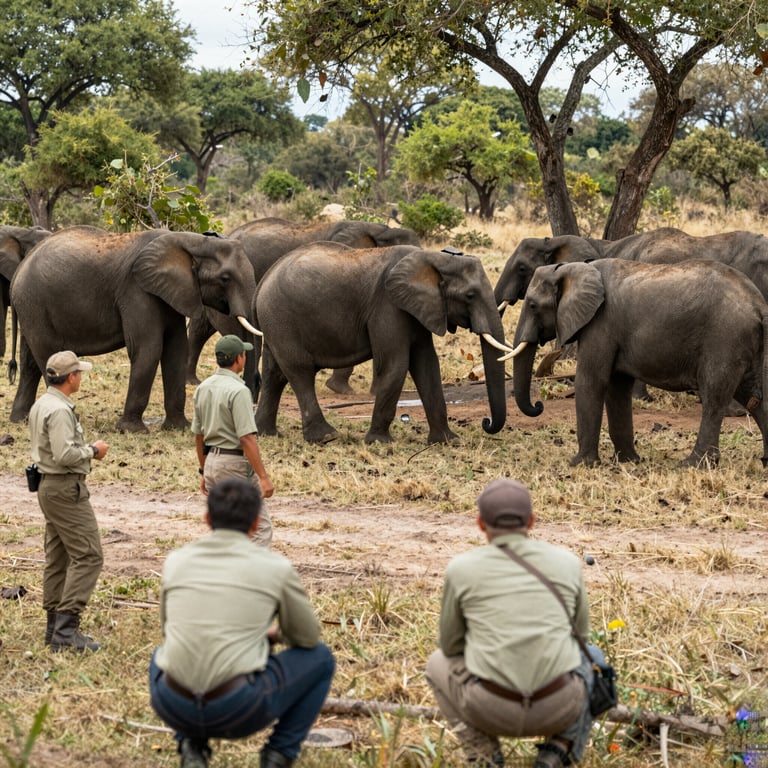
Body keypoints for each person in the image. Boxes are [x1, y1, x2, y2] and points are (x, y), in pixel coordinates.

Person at [149, 478, 335, 768]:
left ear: (207, 518)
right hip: (238, 707)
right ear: (255, 522)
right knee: (322, 659)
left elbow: (167, 629)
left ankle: (190, 745)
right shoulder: (276, 567)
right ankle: (278, 755)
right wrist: (271, 635)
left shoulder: (176, 560)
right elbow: (308, 639)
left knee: (160, 655)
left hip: (173, 703)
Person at [426, 478, 600, 768]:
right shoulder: (567, 562)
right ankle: (560, 749)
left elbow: (450, 645)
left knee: (436, 663)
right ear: (531, 521)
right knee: (594, 657)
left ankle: (482, 754)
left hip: (489, 707)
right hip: (558, 706)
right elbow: (581, 635)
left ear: (480, 524)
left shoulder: (461, 569)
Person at [28, 350, 110, 652]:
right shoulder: (60, 410)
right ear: (71, 377)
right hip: (65, 488)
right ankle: (66, 629)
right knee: (89, 556)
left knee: (58, 556)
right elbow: (64, 455)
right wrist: (93, 450)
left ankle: (53, 628)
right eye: (79, 373)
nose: (81, 377)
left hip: (49, 487)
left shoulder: (42, 403)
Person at [191, 334, 274, 547]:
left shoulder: (203, 387)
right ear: (239, 359)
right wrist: (263, 477)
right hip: (234, 465)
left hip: (212, 464)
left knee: (224, 528)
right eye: (244, 354)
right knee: (260, 527)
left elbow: (199, 436)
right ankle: (252, 576)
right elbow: (246, 437)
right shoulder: (239, 391)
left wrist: (204, 470)